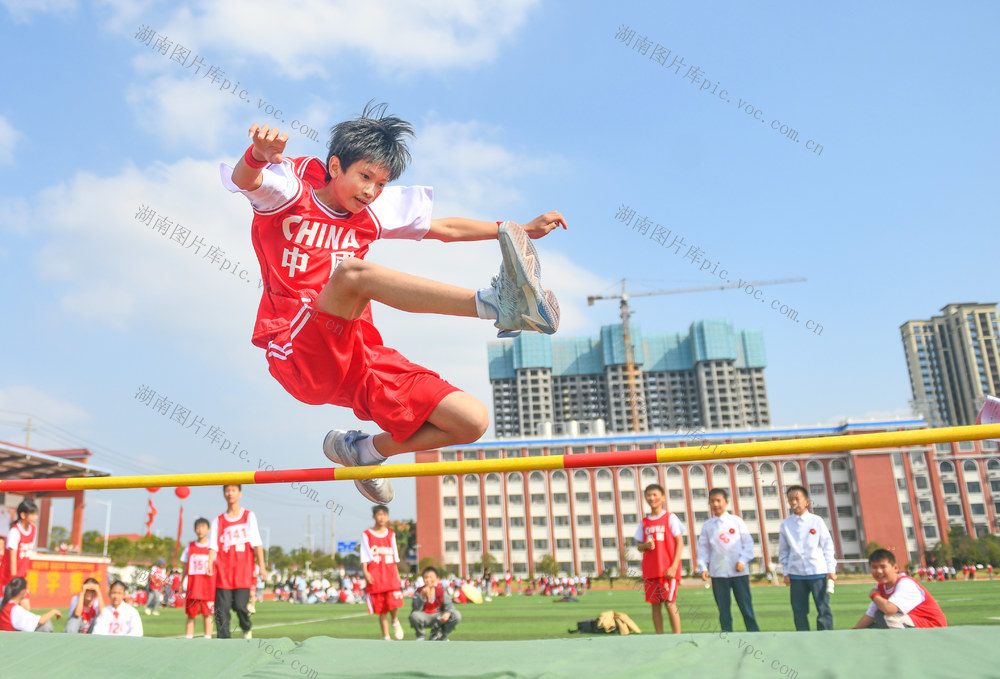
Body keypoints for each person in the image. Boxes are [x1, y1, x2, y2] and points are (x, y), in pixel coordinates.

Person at [219, 104, 566, 504]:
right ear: (335, 166)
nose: (371, 192)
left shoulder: (372, 210)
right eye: (364, 177)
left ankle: (364, 452)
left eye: (381, 184)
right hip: (299, 350)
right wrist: (258, 155)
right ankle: (495, 306)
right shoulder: (290, 189)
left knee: (471, 420)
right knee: (353, 274)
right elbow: (246, 180)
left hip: (360, 357)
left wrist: (517, 228)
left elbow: (445, 228)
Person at [697, 488, 760, 633]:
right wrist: (703, 567)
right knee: (723, 612)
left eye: (718, 500)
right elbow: (703, 549)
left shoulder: (736, 521)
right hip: (719, 573)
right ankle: (728, 638)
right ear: (709, 503)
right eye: (712, 501)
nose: (716, 504)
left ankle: (755, 635)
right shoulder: (708, 526)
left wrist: (743, 560)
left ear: (726, 502)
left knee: (746, 609)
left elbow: (748, 544)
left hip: (739, 573)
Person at [209, 484, 267, 639]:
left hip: (243, 572)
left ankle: (246, 626)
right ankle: (223, 640)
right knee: (221, 609)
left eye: (233, 490)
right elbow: (213, 546)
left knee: (240, 606)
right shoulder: (219, 521)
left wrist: (262, 567)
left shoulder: (248, 516)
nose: (230, 493)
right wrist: (209, 564)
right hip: (223, 572)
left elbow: (257, 543)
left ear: (239, 493)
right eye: (227, 490)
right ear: (223, 494)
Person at [778, 485, 837, 631]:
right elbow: (783, 551)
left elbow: (827, 546)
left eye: (797, 499)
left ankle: (826, 637)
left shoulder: (816, 521)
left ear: (807, 501)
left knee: (823, 608)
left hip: (818, 571)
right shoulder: (786, 524)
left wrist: (831, 569)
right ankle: (802, 638)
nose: (794, 503)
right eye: (791, 500)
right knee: (799, 611)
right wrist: (785, 572)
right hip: (796, 574)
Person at [635, 483, 684, 634]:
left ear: (663, 497)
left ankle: (677, 636)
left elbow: (680, 542)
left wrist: (674, 566)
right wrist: (645, 546)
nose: (652, 498)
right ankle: (659, 636)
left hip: (668, 570)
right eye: (649, 495)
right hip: (651, 570)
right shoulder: (644, 522)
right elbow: (639, 546)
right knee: (655, 605)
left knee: (670, 603)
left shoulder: (670, 518)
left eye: (655, 494)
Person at [852, 549, 946, 629]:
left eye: (883, 567)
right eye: (874, 567)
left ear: (895, 568)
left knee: (883, 616)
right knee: (871, 628)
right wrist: (852, 633)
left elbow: (889, 609)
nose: (879, 571)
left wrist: (874, 595)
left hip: (934, 627)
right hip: (913, 623)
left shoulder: (905, 584)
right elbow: (870, 616)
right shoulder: (881, 587)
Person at [361, 504, 404, 640]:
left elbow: (394, 555)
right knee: (381, 609)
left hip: (390, 573)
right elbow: (364, 555)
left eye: (384, 514)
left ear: (388, 517)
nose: (381, 517)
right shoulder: (367, 534)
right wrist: (365, 572)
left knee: (394, 603)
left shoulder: (391, 534)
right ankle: (386, 637)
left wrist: (397, 574)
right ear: (374, 516)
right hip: (376, 574)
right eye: (379, 514)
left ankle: (395, 620)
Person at [181, 517, 215, 639]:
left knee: (208, 614)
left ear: (208, 529)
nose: (200, 530)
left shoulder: (213, 548)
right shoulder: (190, 547)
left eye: (203, 527)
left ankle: (208, 637)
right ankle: (188, 638)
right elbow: (185, 566)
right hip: (193, 587)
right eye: (197, 527)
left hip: (208, 588)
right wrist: (181, 583)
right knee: (191, 615)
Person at [1, 499, 38, 605]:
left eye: (36, 514)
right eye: (32, 514)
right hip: (9, 578)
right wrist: (14, 581)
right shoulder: (15, 532)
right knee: (8, 609)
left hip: (21, 577)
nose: (35, 517)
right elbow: (12, 559)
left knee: (25, 607)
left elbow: (28, 555)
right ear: (23, 515)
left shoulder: (33, 529)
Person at [409, 566, 460, 640]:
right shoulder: (418, 591)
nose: (428, 580)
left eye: (431, 577)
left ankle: (441, 635)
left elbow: (450, 607)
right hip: (424, 616)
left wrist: (447, 613)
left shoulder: (441, 592)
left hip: (438, 617)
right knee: (414, 616)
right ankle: (421, 636)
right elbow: (415, 608)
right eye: (426, 577)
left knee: (456, 615)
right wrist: (422, 596)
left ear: (437, 579)